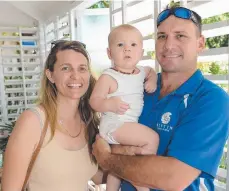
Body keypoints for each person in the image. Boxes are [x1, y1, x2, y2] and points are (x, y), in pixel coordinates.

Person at [92, 6, 229, 191]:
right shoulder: (138, 86)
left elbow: (171, 178)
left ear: (200, 43)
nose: (168, 45)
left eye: (180, 36)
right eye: (162, 36)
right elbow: (106, 148)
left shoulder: (211, 99)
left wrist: (108, 157)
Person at [2, 40, 105, 191]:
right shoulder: (33, 121)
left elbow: (97, 176)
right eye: (66, 68)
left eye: (82, 68)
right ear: (51, 75)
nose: (75, 76)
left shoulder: (89, 122)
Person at [90, 24, 159, 191]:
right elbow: (94, 100)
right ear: (109, 53)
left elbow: (151, 72)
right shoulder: (109, 76)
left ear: (141, 53)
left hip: (126, 124)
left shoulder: (142, 71)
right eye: (120, 45)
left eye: (133, 45)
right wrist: (109, 104)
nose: (127, 49)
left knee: (118, 161)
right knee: (152, 139)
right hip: (115, 123)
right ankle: (139, 179)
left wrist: (153, 81)